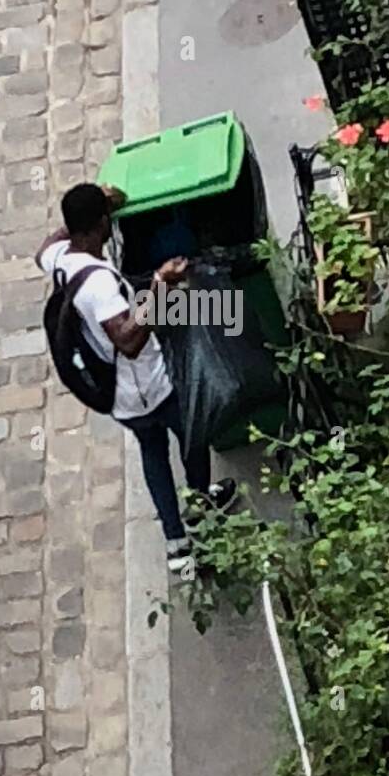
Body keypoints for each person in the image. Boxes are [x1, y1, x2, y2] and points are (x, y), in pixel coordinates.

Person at [35, 182, 236, 572]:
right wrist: (161, 285)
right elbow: (128, 339)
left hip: (118, 396)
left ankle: (177, 542)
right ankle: (199, 511)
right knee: (192, 435)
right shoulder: (99, 286)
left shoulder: (61, 258)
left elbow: (42, 248)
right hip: (146, 386)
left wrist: (97, 205)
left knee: (152, 451)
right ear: (100, 226)